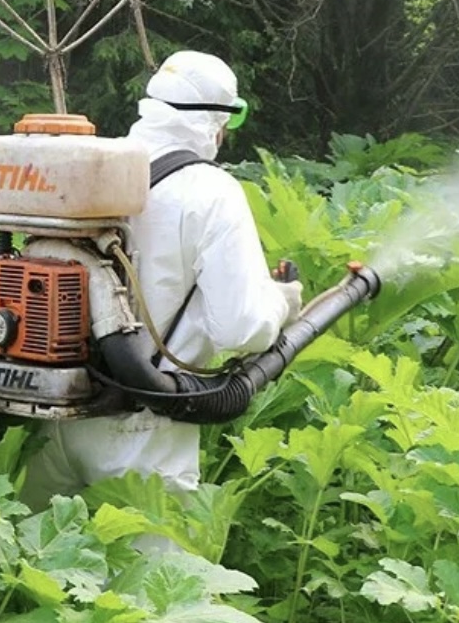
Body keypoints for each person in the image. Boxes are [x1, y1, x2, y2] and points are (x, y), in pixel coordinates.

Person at [16, 50, 303, 547]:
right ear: (219, 119)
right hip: (145, 434)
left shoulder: (87, 168)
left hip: (53, 420)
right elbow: (243, 328)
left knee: (33, 576)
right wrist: (283, 301)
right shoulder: (212, 192)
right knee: (154, 601)